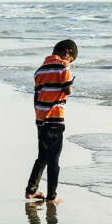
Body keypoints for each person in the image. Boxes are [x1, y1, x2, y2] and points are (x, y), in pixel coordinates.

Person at [25, 39, 77, 203]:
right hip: (55, 119)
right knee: (54, 160)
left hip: (41, 119)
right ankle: (51, 196)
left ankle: (31, 190)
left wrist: (38, 119)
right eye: (71, 59)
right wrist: (71, 86)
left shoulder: (39, 71)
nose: (69, 62)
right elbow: (67, 90)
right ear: (67, 53)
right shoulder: (63, 66)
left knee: (42, 157)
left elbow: (37, 96)